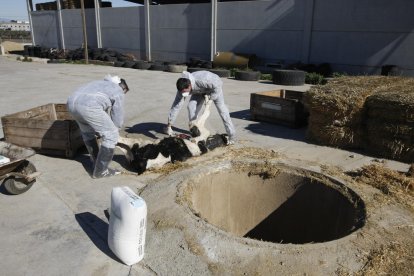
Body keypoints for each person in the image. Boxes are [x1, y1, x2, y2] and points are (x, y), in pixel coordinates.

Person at [67, 75, 129, 178]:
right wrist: (114, 131)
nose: (124, 93)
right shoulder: (117, 90)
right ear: (121, 86)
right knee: (111, 135)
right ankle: (101, 171)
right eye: (125, 90)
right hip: (89, 106)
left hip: (71, 104)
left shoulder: (98, 83)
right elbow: (117, 116)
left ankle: (96, 162)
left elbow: (101, 107)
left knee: (87, 133)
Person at [164, 71, 236, 144]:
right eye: (182, 92)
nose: (184, 94)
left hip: (214, 89)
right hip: (198, 91)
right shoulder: (182, 89)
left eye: (185, 92)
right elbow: (176, 106)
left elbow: (219, 84)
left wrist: (211, 98)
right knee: (191, 107)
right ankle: (195, 131)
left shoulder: (203, 80)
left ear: (189, 85)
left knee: (222, 111)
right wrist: (169, 125)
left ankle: (231, 135)